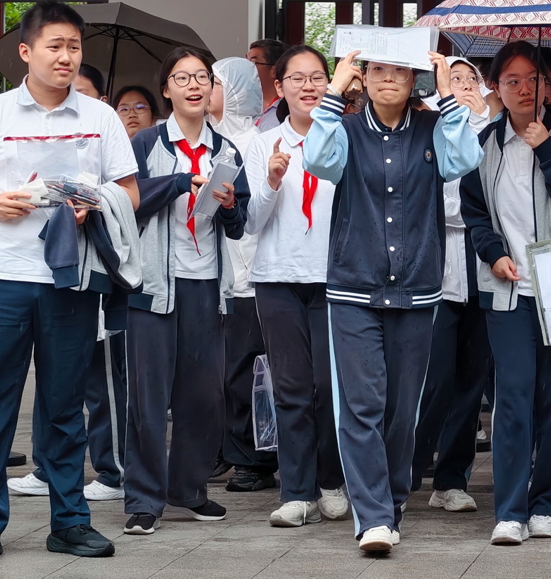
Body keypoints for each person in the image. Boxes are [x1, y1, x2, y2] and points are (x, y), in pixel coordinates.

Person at [0, 0, 139, 562]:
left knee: (64, 406)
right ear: (27, 51)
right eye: (55, 46)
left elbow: (130, 190)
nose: (66, 56)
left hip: (71, 278)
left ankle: (69, 522)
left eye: (74, 46)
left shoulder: (100, 118)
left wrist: (93, 206)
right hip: (1, 278)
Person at [303, 48, 482, 552]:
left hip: (417, 287)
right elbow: (317, 160)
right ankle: (374, 516)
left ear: (413, 79)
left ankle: (393, 499)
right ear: (364, 77)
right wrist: (333, 92)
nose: (388, 79)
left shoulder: (432, 129)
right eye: (378, 70)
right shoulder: (346, 128)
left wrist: (447, 96)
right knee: (361, 405)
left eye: (399, 70)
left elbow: (465, 160)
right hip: (353, 286)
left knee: (403, 410)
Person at [461, 40, 551, 546]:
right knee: (514, 395)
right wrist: (493, 252)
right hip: (508, 289)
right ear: (495, 86)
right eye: (512, 80)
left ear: (550, 86)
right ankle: (510, 509)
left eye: (534, 79)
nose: (523, 89)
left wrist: (546, 150)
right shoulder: (484, 142)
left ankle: (546, 505)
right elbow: (474, 211)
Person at [123, 46, 250, 536]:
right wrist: (178, 181)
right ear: (166, 89)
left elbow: (238, 225)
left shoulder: (227, 150)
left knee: (204, 395)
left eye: (202, 77)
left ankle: (189, 489)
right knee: (149, 398)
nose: (194, 85)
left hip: (206, 285)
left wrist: (229, 205)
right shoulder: (146, 144)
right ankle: (144, 498)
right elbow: (127, 203)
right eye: (183, 78)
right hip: (154, 286)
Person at [8, 63, 129, 503]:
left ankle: (113, 470)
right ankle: (48, 467)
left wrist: (94, 202)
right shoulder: (37, 141)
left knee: (99, 383)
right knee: (53, 381)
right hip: (45, 274)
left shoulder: (109, 141)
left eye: (82, 93)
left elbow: (131, 197)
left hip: (94, 275)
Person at [245, 45, 347, 527]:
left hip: (334, 278)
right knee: (290, 388)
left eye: (317, 77)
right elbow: (250, 222)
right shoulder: (261, 143)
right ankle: (297, 491)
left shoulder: (346, 138)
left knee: (330, 386)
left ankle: (331, 481)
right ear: (279, 86)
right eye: (297, 78)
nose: (308, 86)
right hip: (278, 277)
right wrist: (270, 181)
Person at [411, 55, 492, 512]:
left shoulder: (492, 131)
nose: (462, 86)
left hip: (482, 258)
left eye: (469, 79)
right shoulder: (429, 130)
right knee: (434, 377)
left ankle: (452, 478)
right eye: (453, 78)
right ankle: (408, 468)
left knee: (471, 379)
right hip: (437, 259)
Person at [205, 56, 278, 492]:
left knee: (245, 370)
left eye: (211, 82)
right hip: (212, 273)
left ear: (233, 91)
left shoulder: (255, 143)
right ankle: (223, 447)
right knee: (215, 369)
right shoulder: (208, 140)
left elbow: (255, 213)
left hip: (247, 274)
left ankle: (254, 458)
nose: (202, 88)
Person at [248, 38, 287, 132]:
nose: (246, 68)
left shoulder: (288, 110)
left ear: (274, 71)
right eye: (245, 62)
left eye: (253, 63)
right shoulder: (242, 106)